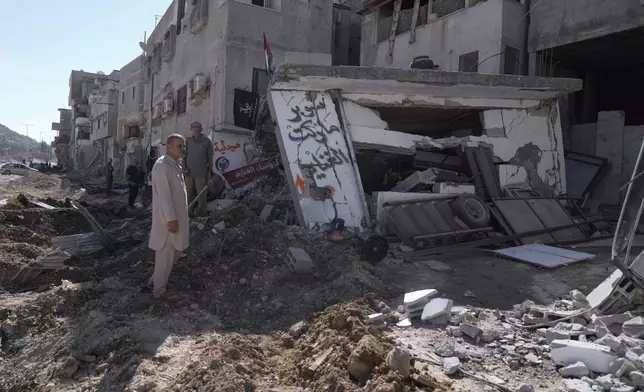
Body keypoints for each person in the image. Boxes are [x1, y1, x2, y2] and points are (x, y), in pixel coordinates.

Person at [148, 134, 189, 298]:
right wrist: (171, 218)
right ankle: (159, 292)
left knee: (175, 252)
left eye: (183, 146)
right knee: (164, 256)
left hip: (178, 220)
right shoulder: (162, 165)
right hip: (168, 222)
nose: (182, 149)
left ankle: (154, 281)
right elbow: (164, 195)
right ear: (169, 147)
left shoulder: (174, 165)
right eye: (179, 146)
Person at [184, 121, 213, 216]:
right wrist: (184, 168)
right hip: (189, 174)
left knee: (202, 195)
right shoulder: (187, 141)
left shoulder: (207, 141)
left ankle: (202, 213)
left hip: (201, 174)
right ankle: (189, 213)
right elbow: (183, 156)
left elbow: (210, 158)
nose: (196, 128)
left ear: (201, 129)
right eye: (194, 127)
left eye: (198, 127)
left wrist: (209, 172)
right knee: (188, 195)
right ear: (191, 129)